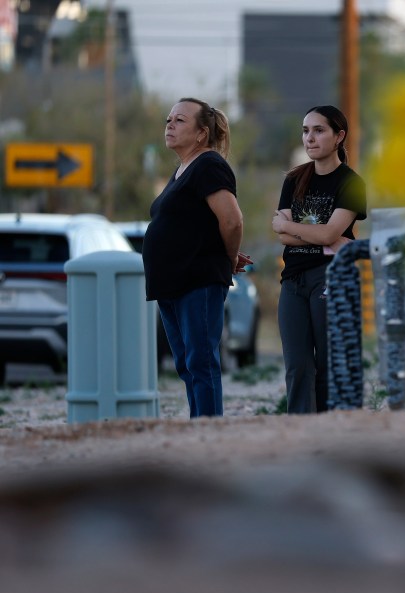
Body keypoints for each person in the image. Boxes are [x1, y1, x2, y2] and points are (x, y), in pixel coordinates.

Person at [143, 97, 252, 418]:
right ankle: (198, 426)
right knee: (186, 364)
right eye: (168, 120)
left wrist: (228, 259)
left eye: (179, 121)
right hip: (172, 283)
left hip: (197, 280)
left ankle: (208, 430)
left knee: (201, 361)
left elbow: (232, 220)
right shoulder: (181, 169)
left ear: (202, 133)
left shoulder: (209, 165)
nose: (169, 126)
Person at [272, 105, 367, 414]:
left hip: (331, 278)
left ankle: (329, 432)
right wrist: (323, 235)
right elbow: (289, 238)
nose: (309, 138)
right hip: (293, 281)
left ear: (339, 136)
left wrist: (290, 226)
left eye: (318, 130)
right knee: (297, 365)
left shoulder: (351, 183)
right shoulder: (294, 179)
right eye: (305, 131)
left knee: (328, 363)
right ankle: (299, 431)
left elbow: (324, 234)